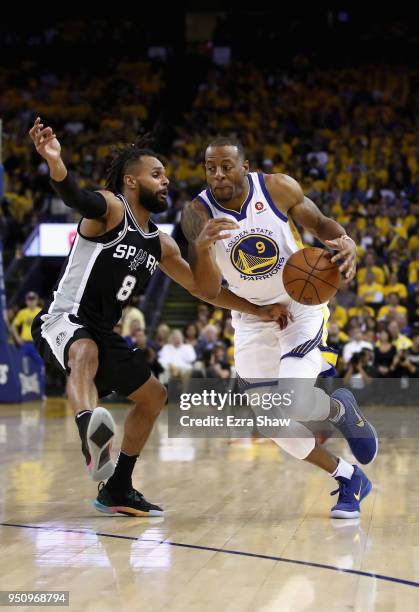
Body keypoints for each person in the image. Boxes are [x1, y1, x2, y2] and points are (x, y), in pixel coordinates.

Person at [29, 119, 289, 517]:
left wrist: (259, 309)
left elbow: (207, 291)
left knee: (153, 397)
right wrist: (55, 163)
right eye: (156, 174)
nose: (166, 180)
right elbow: (76, 197)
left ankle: (117, 488)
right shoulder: (112, 209)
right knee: (84, 351)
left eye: (166, 174)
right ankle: (90, 434)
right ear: (131, 182)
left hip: (103, 331)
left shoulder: (162, 243)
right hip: (63, 319)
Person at [181, 137, 378, 518]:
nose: (218, 174)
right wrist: (204, 248)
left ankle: (339, 409)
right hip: (251, 316)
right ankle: (349, 477)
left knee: (293, 399)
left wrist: (346, 241)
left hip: (299, 305)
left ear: (245, 166)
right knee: (273, 423)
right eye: (210, 168)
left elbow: (321, 224)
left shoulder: (276, 187)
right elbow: (206, 290)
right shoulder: (196, 214)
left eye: (226, 166)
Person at [11, 291, 45, 395]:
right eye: (29, 299)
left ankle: (41, 392)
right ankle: (20, 391)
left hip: (36, 345)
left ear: (36, 300)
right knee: (20, 366)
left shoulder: (41, 312)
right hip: (25, 344)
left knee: (40, 367)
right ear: (26, 301)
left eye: (33, 299)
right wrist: (17, 338)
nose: (31, 301)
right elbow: (13, 326)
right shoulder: (22, 312)